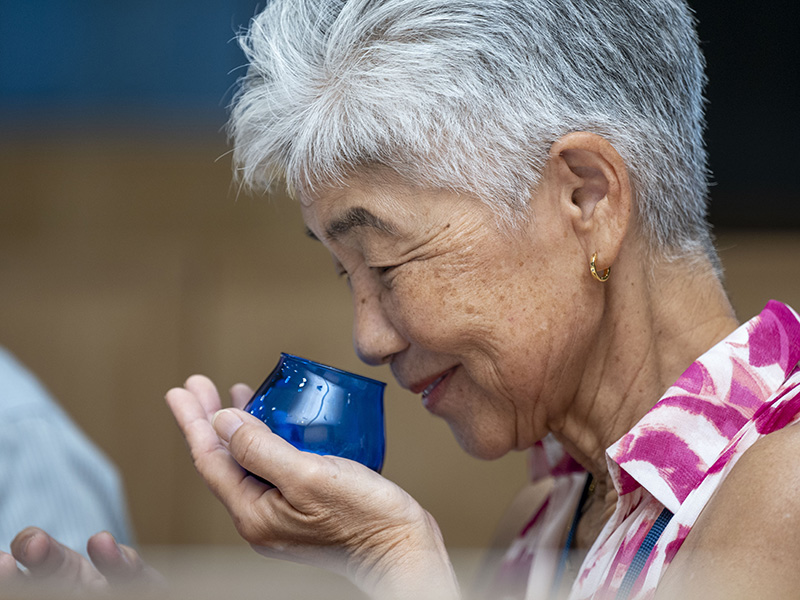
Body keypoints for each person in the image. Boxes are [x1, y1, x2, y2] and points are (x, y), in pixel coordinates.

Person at [3, 1, 799, 598]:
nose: (368, 337)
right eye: (342, 273)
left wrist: (400, 569)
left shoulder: (782, 489)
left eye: (385, 263)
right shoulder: (550, 515)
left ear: (586, 199)